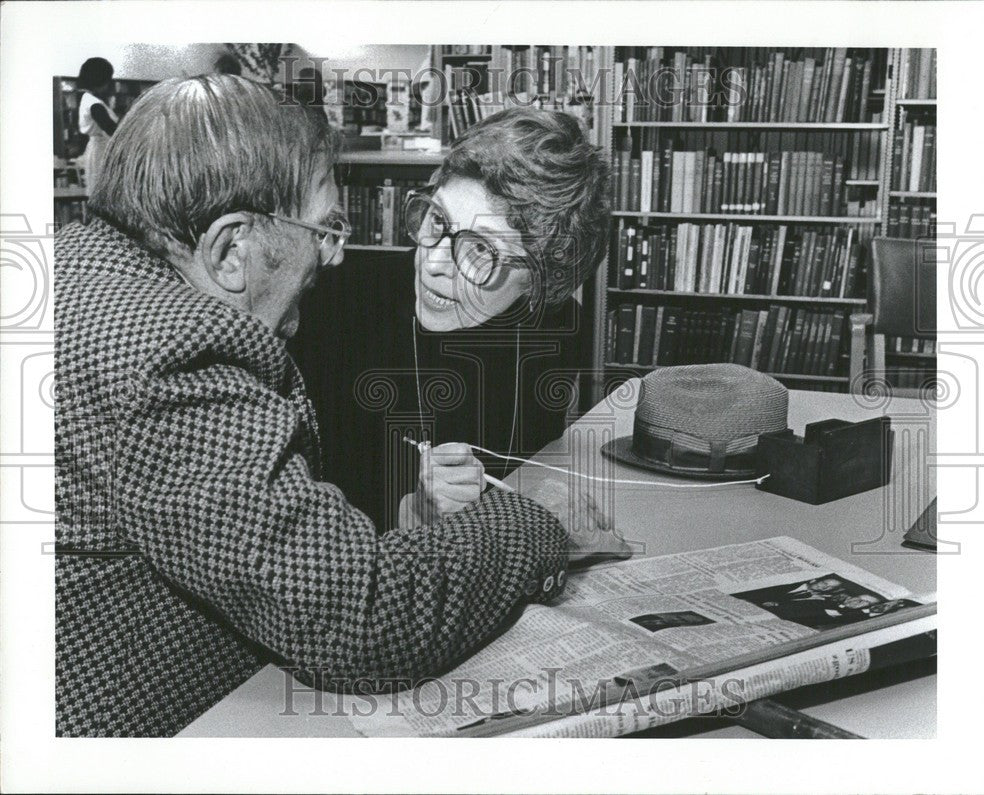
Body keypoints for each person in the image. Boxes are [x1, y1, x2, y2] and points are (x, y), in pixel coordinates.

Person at [55, 74, 628, 737]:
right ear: (230, 249)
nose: (337, 254)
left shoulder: (80, 269)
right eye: (322, 229)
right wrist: (536, 520)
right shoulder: (173, 356)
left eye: (480, 253)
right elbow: (360, 620)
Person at [291, 107, 609, 531]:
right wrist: (413, 513)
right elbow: (301, 518)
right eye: (436, 219)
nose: (434, 261)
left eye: (481, 250)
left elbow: (517, 470)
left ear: (541, 281)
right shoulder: (331, 306)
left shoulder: (558, 326)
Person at [75, 57, 118, 196]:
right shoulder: (94, 103)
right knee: (104, 192)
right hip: (101, 151)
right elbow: (112, 129)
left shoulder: (89, 99)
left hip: (100, 148)